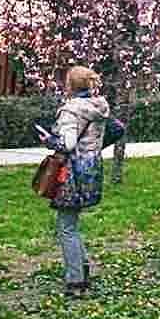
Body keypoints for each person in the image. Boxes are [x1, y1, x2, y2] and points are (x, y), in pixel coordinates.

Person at [41, 65, 111, 297]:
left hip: (72, 173)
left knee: (66, 227)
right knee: (72, 223)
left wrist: (50, 140)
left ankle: (76, 280)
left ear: (70, 85)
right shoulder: (98, 106)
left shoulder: (71, 111)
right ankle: (82, 268)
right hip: (91, 169)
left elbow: (68, 144)